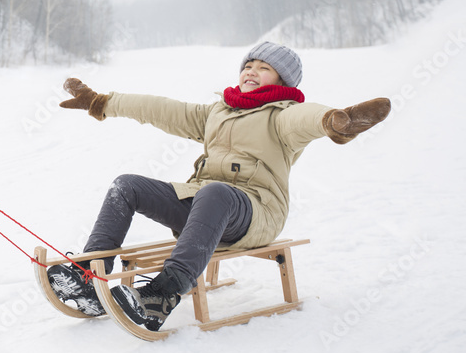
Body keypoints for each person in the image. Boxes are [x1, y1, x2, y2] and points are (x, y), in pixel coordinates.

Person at [47, 42, 391, 331]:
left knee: (216, 192)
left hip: (255, 213)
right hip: (202, 207)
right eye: (249, 65)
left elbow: (306, 118)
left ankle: (162, 294)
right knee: (126, 186)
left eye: (264, 68)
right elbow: (162, 109)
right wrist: (102, 102)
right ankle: (90, 276)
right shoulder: (219, 112)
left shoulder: (283, 117)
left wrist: (334, 120)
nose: (252, 71)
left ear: (283, 80)